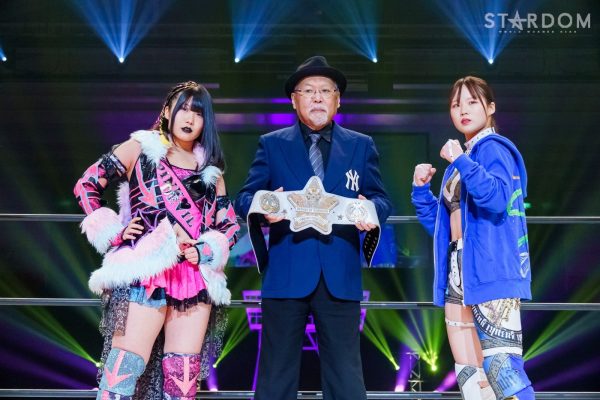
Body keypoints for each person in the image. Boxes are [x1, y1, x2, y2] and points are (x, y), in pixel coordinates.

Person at [234, 56, 392, 400]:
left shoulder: (361, 145)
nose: (317, 97)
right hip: (286, 272)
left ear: (338, 100)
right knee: (275, 375)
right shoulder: (272, 143)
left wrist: (368, 211)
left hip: (340, 275)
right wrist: (266, 207)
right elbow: (243, 199)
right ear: (294, 100)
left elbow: (382, 200)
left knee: (346, 376)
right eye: (308, 91)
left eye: (325, 90)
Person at [74, 81, 240, 400]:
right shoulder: (140, 148)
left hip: (192, 277)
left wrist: (206, 249)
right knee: (124, 369)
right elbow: (87, 185)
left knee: (183, 379)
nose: (189, 118)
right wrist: (114, 232)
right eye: (183, 109)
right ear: (167, 112)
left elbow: (229, 225)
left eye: (198, 113)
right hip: (145, 269)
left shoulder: (211, 171)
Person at [411, 76, 534, 400]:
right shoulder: (461, 161)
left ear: (490, 107)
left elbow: (496, 199)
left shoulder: (493, 148)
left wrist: (462, 160)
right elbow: (441, 226)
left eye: (471, 102)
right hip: (458, 267)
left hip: (490, 267)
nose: (463, 110)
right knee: (469, 370)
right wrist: (421, 191)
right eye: (456, 104)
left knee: (501, 368)